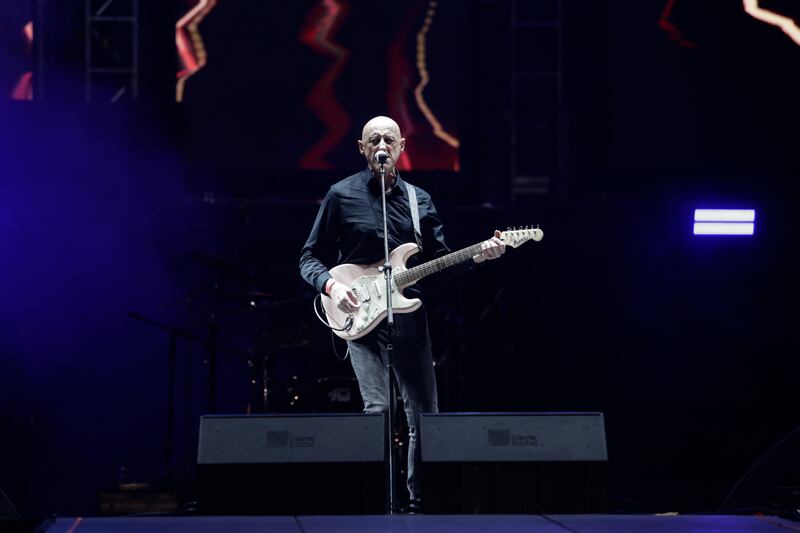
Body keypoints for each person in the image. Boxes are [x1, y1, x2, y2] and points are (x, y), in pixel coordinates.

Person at [299, 115, 504, 510]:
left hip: (408, 317)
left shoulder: (418, 199)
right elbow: (308, 257)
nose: (381, 145)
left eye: (388, 139)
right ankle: (375, 503)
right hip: (359, 316)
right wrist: (332, 285)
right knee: (378, 409)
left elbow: (441, 264)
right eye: (373, 139)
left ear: (402, 147)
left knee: (424, 414)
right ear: (362, 148)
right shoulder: (340, 195)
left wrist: (479, 256)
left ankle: (420, 503)